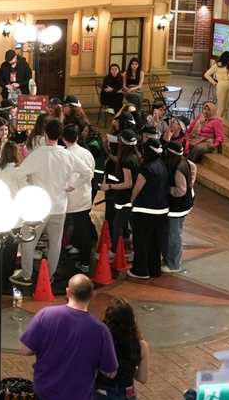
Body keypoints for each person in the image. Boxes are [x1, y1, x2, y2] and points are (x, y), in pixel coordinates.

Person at [9, 119, 77, 289]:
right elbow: (87, 172)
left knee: (29, 240)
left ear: (45, 133)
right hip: (59, 205)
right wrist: (73, 185)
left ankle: (26, 275)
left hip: (38, 206)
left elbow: (19, 175)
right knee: (55, 242)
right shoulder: (68, 154)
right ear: (61, 135)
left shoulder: (38, 154)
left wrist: (29, 190)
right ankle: (50, 274)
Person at [128, 137, 169, 279]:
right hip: (161, 209)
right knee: (155, 242)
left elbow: (137, 188)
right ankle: (154, 269)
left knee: (141, 241)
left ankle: (141, 271)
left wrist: (132, 201)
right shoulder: (162, 165)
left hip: (145, 210)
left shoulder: (146, 168)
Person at [61, 123, 97, 271]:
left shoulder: (64, 154)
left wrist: (72, 186)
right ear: (77, 137)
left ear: (63, 138)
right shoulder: (87, 153)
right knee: (83, 231)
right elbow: (91, 173)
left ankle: (56, 262)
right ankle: (85, 263)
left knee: (60, 230)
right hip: (84, 197)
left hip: (67, 198)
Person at [101, 130, 140, 259]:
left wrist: (109, 186)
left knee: (117, 224)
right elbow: (116, 159)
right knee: (132, 225)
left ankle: (113, 253)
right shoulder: (134, 157)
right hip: (133, 198)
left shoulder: (126, 161)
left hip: (126, 199)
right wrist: (106, 148)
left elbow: (128, 183)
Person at [163, 141, 196, 273]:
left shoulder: (178, 167)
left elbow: (181, 190)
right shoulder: (184, 162)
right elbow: (193, 167)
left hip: (178, 207)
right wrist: (191, 182)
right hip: (179, 205)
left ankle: (174, 264)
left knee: (174, 235)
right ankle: (168, 259)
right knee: (170, 233)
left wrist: (166, 189)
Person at [204, 50, 229, 120]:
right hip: (222, 85)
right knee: (221, 108)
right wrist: (214, 82)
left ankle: (223, 122)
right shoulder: (217, 65)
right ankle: (214, 122)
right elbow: (207, 74)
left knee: (226, 108)